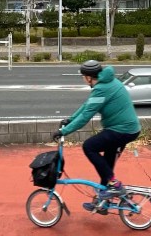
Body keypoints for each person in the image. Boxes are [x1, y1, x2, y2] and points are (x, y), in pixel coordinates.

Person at [53, 60, 140, 212]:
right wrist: (70, 120)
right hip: (125, 128)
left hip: (122, 130)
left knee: (89, 146)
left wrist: (63, 131)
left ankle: (115, 185)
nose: (83, 79)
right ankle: (103, 202)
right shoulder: (108, 82)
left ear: (88, 77)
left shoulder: (101, 89)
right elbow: (87, 106)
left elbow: (86, 116)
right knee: (106, 166)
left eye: (83, 76)